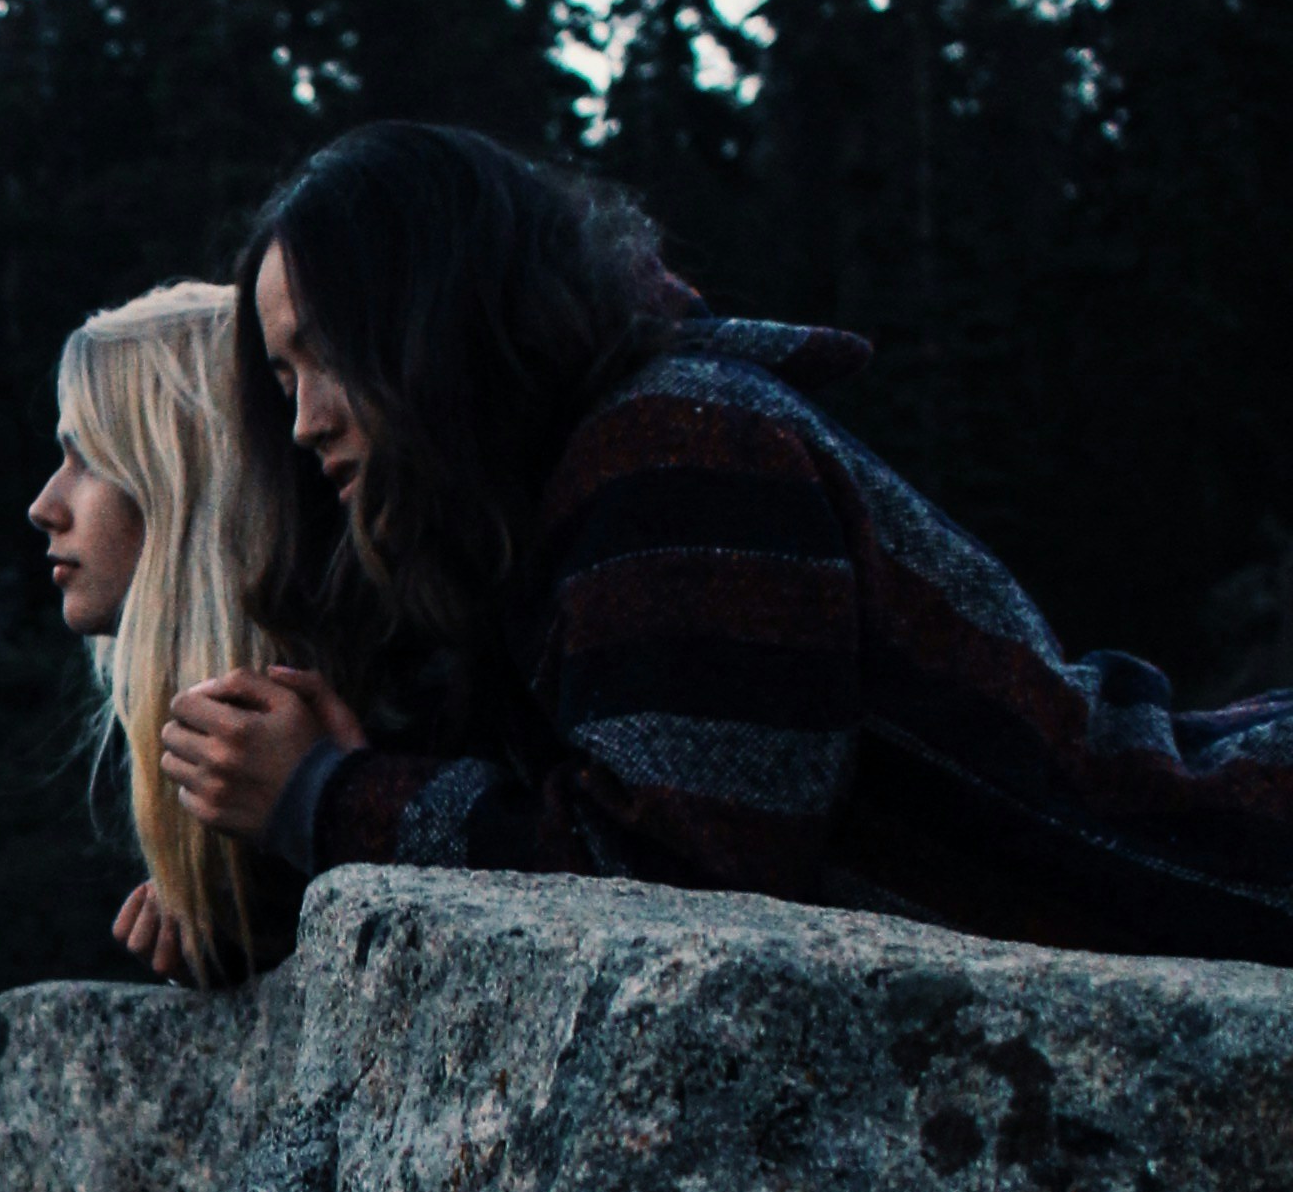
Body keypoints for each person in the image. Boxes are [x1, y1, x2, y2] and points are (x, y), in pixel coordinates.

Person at [159, 116, 1293, 964]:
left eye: (326, 356)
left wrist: (328, 796)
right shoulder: (572, 500)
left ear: (433, 322)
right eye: (281, 377)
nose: (305, 419)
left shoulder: (675, 451)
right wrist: (261, 870)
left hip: (1227, 864)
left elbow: (679, 878)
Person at [29, 280, 324, 982]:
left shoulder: (345, 712)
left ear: (187, 481)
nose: (45, 506)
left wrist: (321, 806)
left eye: (89, 460)